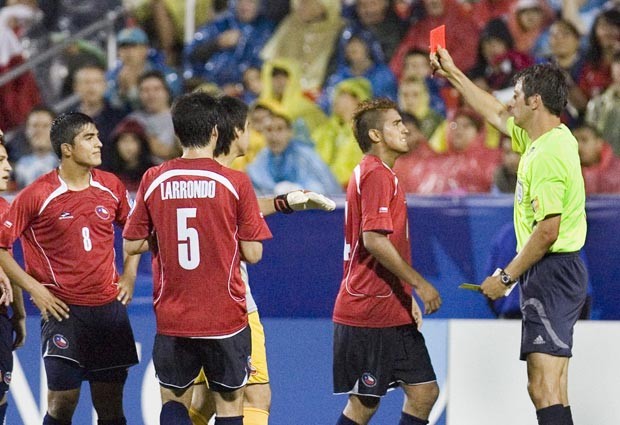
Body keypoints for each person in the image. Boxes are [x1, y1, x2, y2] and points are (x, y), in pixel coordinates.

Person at [431, 47, 587, 425]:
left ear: (535, 101)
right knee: (553, 386)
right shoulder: (548, 138)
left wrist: (505, 278)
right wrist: (453, 73)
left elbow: (547, 230)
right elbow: (495, 113)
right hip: (558, 274)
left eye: (516, 95)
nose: (509, 102)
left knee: (543, 386)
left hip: (551, 274)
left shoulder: (546, 154)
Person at [122, 92, 273, 425]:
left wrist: (165, 236)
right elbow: (253, 253)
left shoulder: (154, 178)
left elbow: (132, 244)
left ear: (177, 133)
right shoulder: (234, 181)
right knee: (230, 404)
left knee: (175, 400)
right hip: (224, 316)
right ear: (216, 132)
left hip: (173, 315)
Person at [189, 95, 336, 425]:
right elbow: (253, 250)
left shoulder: (193, 177)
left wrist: (285, 202)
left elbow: (237, 205)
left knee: (206, 400)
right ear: (233, 132)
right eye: (248, 127)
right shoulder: (235, 179)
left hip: (190, 305)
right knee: (255, 395)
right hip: (232, 303)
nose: (252, 135)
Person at [0, 112, 140, 425]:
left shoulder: (111, 186)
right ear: (67, 148)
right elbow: (1, 247)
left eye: (97, 136)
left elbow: (135, 232)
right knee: (62, 403)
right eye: (89, 138)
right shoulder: (37, 194)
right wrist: (35, 289)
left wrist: (129, 275)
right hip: (63, 312)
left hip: (108, 311)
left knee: (111, 406)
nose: (99, 143)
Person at [332, 99, 442, 425]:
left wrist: (404, 294)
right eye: (396, 123)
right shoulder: (376, 174)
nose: (405, 129)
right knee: (364, 404)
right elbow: (374, 240)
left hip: (388, 305)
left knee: (424, 392)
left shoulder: (378, 173)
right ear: (376, 134)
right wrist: (420, 284)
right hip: (369, 308)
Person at [0, 128, 26, 424]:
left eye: (7, 159)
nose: (8, 167)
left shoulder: (5, 209)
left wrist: (18, 314)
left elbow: (9, 263)